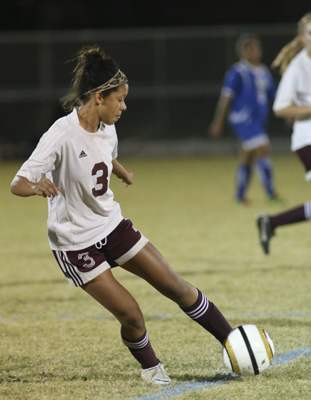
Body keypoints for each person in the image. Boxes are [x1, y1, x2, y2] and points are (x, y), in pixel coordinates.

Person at [10, 46, 233, 385]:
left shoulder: (107, 126)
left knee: (175, 285)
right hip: (75, 243)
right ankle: (151, 368)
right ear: (99, 97)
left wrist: (120, 170)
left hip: (111, 225)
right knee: (132, 315)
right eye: (120, 99)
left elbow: (102, 154)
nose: (124, 107)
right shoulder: (60, 135)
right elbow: (18, 183)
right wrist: (37, 187)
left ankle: (234, 344)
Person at [256, 12, 311, 255]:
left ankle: (271, 222)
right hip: (307, 141)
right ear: (302, 37)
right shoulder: (298, 68)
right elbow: (280, 107)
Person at [209, 33, 282, 205]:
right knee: (263, 149)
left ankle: (240, 196)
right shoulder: (237, 72)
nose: (254, 51)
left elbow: (275, 96)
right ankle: (271, 194)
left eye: (257, 48)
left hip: (258, 121)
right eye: (250, 48)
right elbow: (226, 98)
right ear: (241, 52)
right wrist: (218, 122)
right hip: (243, 120)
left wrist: (288, 113)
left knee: (248, 156)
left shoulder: (263, 72)